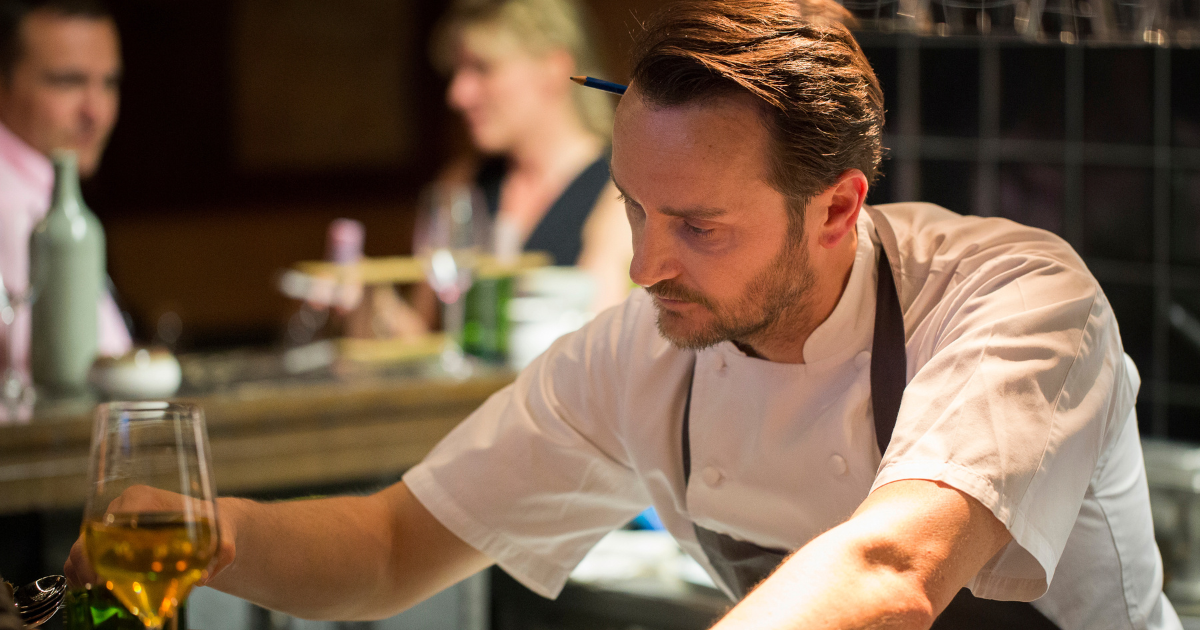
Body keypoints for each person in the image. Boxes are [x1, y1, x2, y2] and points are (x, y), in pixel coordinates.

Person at [67, 1, 1179, 629]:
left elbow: (892, 570)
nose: (647, 266)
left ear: (837, 208)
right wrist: (211, 535)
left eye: (699, 226)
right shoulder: (640, 354)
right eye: (632, 212)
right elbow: (393, 543)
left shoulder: (1014, 300)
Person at [433, 0, 632, 312]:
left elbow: (596, 341)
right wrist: (366, 304)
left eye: (482, 68)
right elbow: (424, 338)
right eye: (457, 71)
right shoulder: (461, 183)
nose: (457, 95)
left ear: (554, 68)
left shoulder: (620, 189)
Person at [0, 0, 131, 378]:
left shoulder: (46, 196)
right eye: (68, 81)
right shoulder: (16, 209)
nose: (96, 112)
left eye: (109, 83)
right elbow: (81, 389)